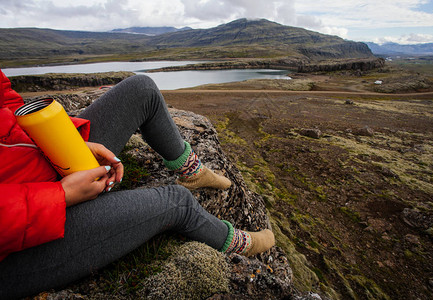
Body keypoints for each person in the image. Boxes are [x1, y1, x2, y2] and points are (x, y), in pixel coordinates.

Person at [0, 70, 275, 299]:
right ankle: (235, 244)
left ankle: (192, 170)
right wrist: (60, 196)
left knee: (141, 89)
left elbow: (9, 112)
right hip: (17, 239)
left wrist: (67, 144)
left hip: (39, 166)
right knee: (177, 202)